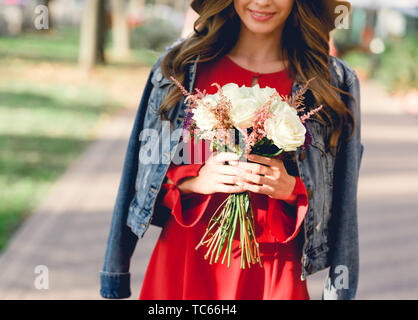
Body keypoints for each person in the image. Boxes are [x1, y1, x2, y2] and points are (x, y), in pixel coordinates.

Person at [100, 0, 363, 300]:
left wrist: (291, 188)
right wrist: (195, 180)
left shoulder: (333, 83)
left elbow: (344, 202)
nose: (263, 1)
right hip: (185, 262)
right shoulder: (179, 69)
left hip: (274, 272)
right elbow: (141, 170)